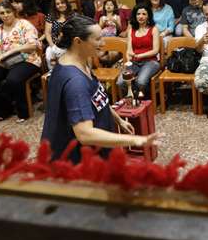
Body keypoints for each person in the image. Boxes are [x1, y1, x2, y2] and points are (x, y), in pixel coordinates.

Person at [41, 15, 161, 163]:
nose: (103, 43)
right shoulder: (75, 82)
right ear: (78, 41)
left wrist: (118, 120)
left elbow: (97, 97)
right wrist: (135, 140)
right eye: (97, 39)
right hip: (78, 161)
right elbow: (85, 134)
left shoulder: (79, 62)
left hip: (96, 149)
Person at [0, 1, 41, 122]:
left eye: (8, 12)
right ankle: (3, 109)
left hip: (27, 60)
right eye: (2, 13)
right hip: (3, 62)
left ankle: (23, 112)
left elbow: (32, 45)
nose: (5, 15)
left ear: (14, 12)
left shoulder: (24, 24)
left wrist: (11, 51)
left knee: (13, 80)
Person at [116, 4, 161, 100]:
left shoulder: (154, 29)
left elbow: (155, 50)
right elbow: (129, 50)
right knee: (121, 82)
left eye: (144, 14)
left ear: (148, 16)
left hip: (151, 61)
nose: (141, 16)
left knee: (140, 81)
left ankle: (143, 101)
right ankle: (132, 99)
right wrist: (128, 62)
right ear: (135, 16)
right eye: (138, 14)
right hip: (134, 61)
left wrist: (139, 55)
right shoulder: (131, 30)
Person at [44, 0, 74, 69]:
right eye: (57, 4)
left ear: (66, 3)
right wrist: (53, 46)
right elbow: (47, 33)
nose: (60, 5)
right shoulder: (51, 16)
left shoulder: (73, 15)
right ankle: (53, 73)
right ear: (55, 6)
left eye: (62, 3)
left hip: (69, 45)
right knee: (49, 52)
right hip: (54, 44)